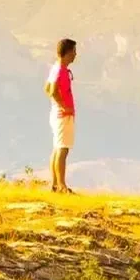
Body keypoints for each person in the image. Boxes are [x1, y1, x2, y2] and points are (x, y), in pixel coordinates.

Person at [45, 38, 77, 193]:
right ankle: (62, 185)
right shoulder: (60, 70)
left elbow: (47, 88)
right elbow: (52, 91)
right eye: (74, 51)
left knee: (58, 148)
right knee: (63, 150)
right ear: (68, 52)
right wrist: (65, 107)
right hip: (62, 115)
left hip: (56, 114)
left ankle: (55, 184)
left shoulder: (56, 68)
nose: (75, 55)